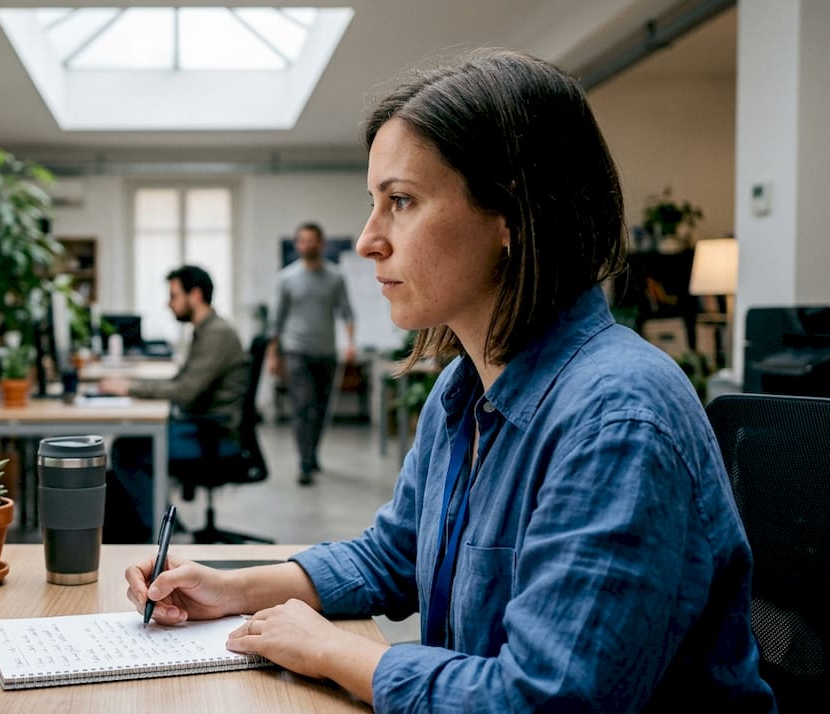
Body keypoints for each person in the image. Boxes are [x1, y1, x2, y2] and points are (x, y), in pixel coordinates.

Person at [126, 49, 774, 711]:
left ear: (512, 219)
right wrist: (230, 588)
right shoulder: (462, 391)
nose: (368, 240)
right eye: (373, 204)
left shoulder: (618, 418)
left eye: (400, 202)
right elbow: (394, 553)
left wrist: (334, 650)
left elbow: (546, 700)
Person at [100, 265, 248, 542]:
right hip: (202, 426)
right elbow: (184, 384)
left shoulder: (217, 333)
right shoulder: (206, 330)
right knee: (133, 444)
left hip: (212, 434)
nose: (168, 304)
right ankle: (164, 521)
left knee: (127, 449)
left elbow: (186, 391)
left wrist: (130, 387)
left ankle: (159, 529)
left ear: (195, 295)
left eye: (173, 295)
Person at [268, 222, 356, 485]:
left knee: (320, 409)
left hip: (326, 353)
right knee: (303, 406)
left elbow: (347, 312)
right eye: (303, 240)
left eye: (312, 240)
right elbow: (276, 320)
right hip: (297, 352)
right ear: (298, 245)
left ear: (321, 243)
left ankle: (313, 452)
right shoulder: (286, 279)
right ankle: (304, 462)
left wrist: (351, 343)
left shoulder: (336, 277)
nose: (307, 245)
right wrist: (274, 355)